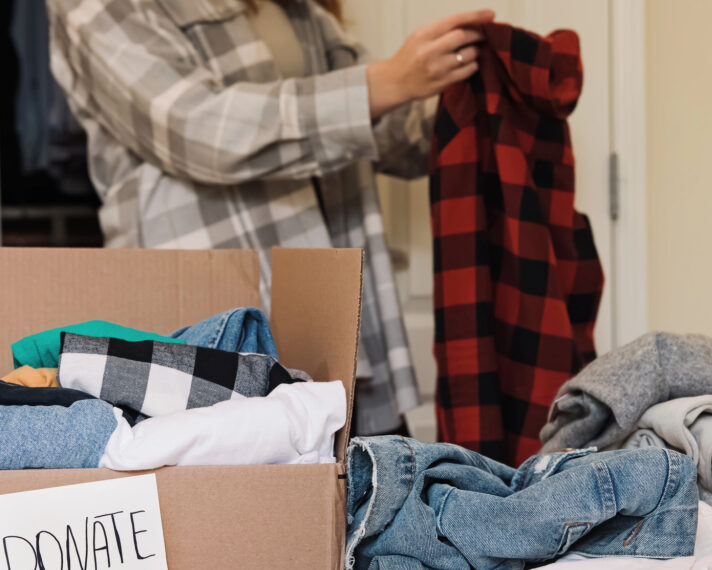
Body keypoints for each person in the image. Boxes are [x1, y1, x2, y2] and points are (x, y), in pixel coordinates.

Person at [46, 0, 493, 435]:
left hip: (333, 313)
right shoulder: (99, 6)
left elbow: (383, 135)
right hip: (209, 318)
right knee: (244, 492)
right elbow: (197, 130)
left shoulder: (300, 10)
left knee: (375, 494)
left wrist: (473, 93)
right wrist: (381, 85)